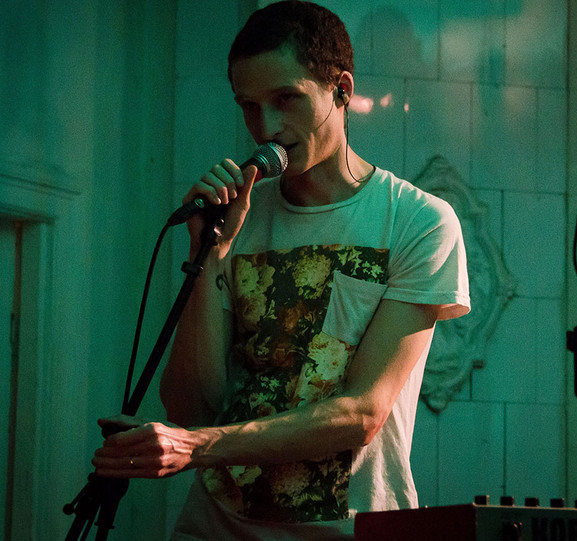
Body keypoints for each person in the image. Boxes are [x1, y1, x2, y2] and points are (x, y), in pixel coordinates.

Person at [92, 1, 470, 539]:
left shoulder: (417, 221)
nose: (266, 128)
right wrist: (209, 255)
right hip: (215, 529)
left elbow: (362, 413)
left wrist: (196, 447)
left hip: (345, 530)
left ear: (341, 90)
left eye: (286, 99)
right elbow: (190, 405)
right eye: (249, 106)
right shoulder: (238, 216)